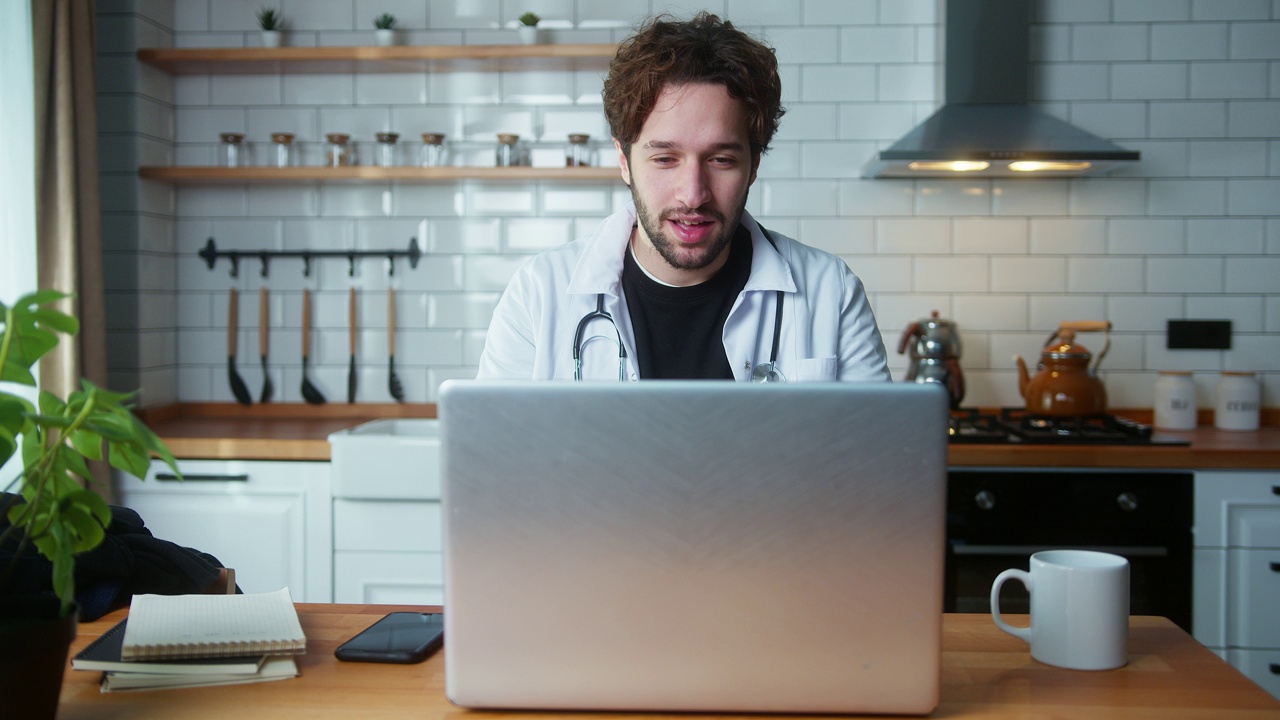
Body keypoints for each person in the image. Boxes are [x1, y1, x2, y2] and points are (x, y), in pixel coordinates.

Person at [477, 12, 890, 382]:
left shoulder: (830, 292)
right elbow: (492, 461)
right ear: (624, 160)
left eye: (721, 159)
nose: (693, 194)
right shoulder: (538, 294)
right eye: (665, 159)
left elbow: (881, 462)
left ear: (755, 164)